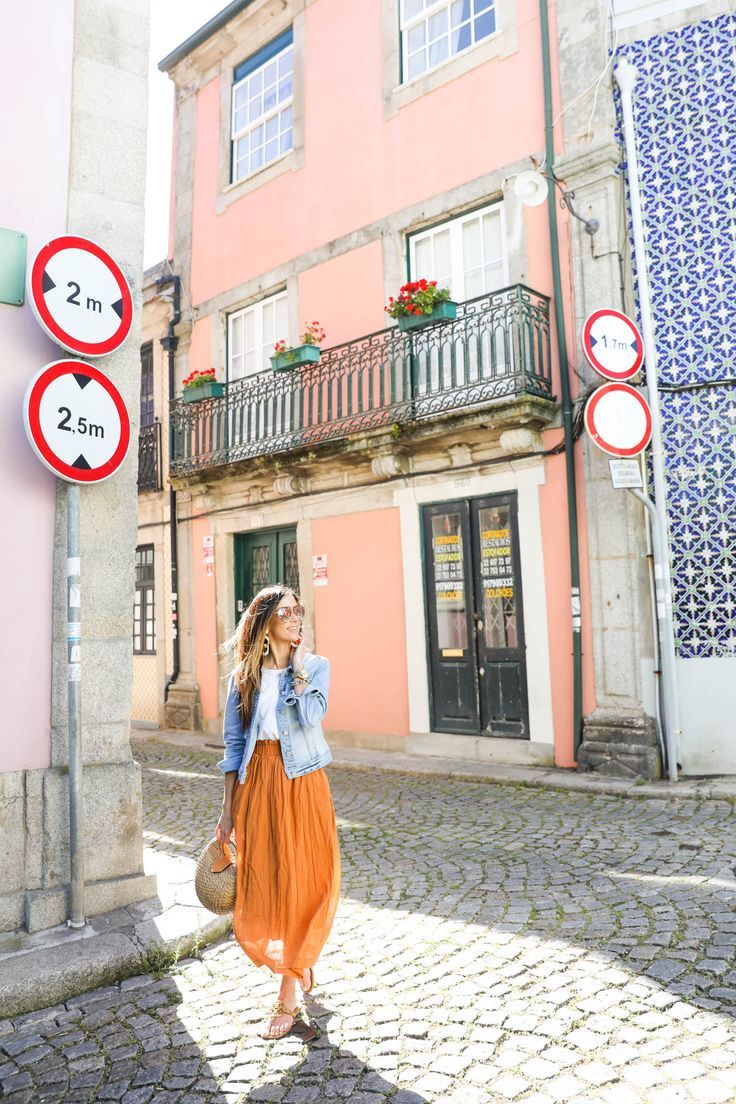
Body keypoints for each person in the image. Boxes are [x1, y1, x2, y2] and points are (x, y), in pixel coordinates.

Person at [215, 584, 341, 1040]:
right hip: (258, 786)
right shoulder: (243, 680)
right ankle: (299, 965)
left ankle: (288, 992)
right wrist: (228, 811)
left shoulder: (315, 667)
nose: (295, 619)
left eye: (298, 611)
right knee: (268, 882)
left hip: (302, 783)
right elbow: (232, 748)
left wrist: (299, 671)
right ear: (266, 623)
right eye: (285, 612)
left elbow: (311, 717)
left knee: (302, 881)